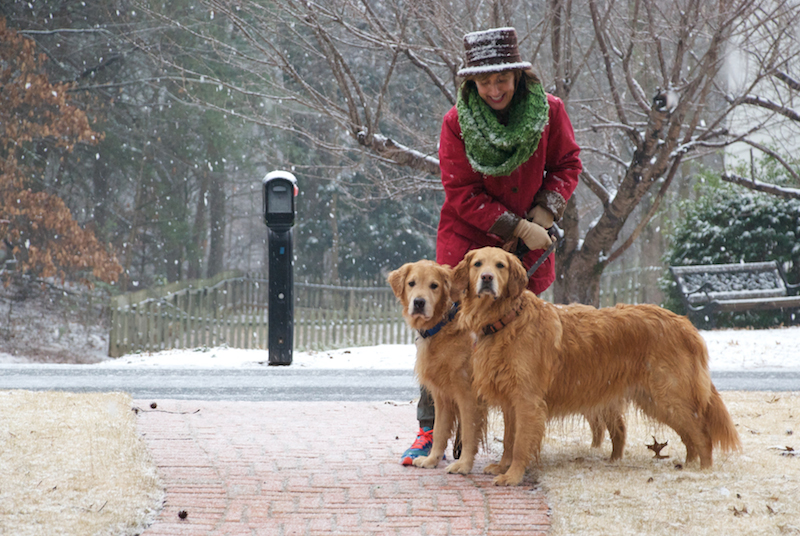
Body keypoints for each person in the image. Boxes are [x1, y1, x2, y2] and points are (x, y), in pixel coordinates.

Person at [400, 27, 581, 465]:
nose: (494, 89)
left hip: (525, 250)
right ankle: (430, 430)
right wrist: (516, 225)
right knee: (440, 340)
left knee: (517, 345)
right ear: (470, 84)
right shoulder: (455, 123)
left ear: (519, 76)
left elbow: (567, 163)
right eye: (484, 82)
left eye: (502, 79)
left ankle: (515, 441)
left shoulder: (549, 112)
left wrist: (545, 213)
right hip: (468, 240)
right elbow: (460, 191)